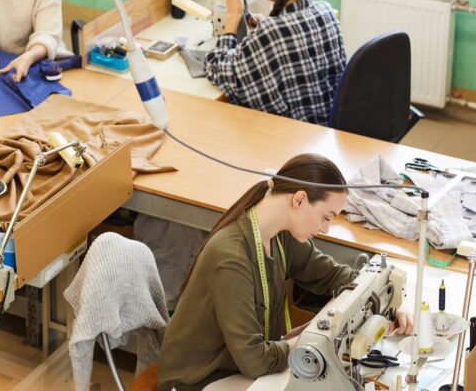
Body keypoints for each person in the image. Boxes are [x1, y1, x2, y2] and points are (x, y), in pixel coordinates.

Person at [157, 154, 413, 390]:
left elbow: (333, 276)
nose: (325, 229)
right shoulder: (231, 258)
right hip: (199, 381)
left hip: (241, 368)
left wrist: (387, 301)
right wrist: (308, 341)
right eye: (326, 216)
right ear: (299, 199)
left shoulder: (280, 236)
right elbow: (254, 360)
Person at [204, 0, 346, 126]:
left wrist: (232, 18)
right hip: (325, 134)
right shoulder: (325, 11)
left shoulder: (271, 33)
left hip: (293, 141)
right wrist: (266, 28)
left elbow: (216, 67)